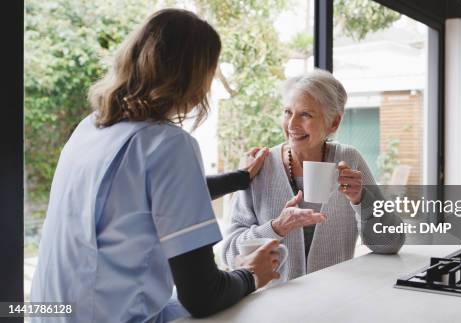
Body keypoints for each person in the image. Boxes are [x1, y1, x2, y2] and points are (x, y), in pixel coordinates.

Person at [30, 9, 282, 322]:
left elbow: (144, 197)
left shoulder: (91, 128)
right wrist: (249, 274)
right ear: (194, 76)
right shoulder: (169, 144)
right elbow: (203, 294)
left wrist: (240, 178)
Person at [221, 69, 406, 282]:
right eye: (288, 112)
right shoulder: (261, 166)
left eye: (305, 114)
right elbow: (230, 254)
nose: (291, 125)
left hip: (333, 304)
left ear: (333, 123)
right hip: (272, 308)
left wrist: (361, 199)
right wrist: (276, 228)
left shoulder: (349, 159)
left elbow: (391, 242)